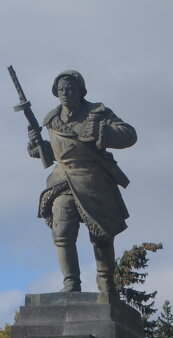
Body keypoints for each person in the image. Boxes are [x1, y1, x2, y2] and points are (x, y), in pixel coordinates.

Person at [28, 70, 136, 298]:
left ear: (80, 90)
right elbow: (55, 152)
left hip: (94, 179)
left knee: (101, 236)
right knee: (62, 230)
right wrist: (37, 147)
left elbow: (129, 134)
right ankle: (70, 283)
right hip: (63, 179)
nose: (65, 94)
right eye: (60, 90)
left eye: (70, 89)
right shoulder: (51, 119)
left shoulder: (97, 113)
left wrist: (102, 131)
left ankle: (106, 284)